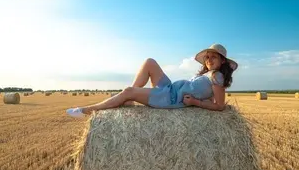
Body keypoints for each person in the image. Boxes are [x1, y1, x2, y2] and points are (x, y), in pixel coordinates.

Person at [66, 43, 238, 118]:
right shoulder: (207, 75)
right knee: (150, 62)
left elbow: (220, 105)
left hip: (170, 98)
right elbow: (210, 97)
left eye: (213, 57)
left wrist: (194, 102)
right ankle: (129, 99)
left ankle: (88, 110)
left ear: (223, 60)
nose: (209, 60)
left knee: (128, 91)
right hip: (170, 88)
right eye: (207, 57)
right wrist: (203, 98)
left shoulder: (217, 77)